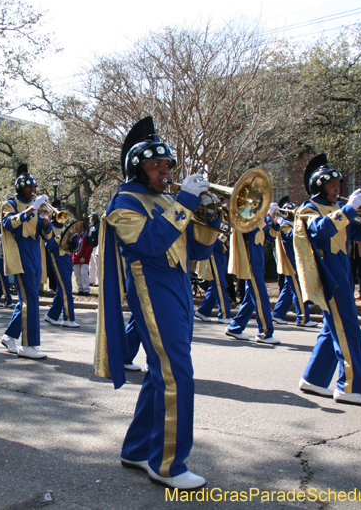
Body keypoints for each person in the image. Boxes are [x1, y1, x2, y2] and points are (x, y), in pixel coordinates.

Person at [94, 116, 217, 490]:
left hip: (178, 285)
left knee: (160, 370)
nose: (165, 172)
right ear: (138, 168)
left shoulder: (167, 198)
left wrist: (208, 215)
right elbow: (148, 244)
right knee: (177, 372)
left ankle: (136, 448)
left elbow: (195, 249)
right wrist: (184, 204)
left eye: (168, 165)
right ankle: (167, 464)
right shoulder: (123, 201)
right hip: (151, 288)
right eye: (155, 165)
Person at [294, 154, 361, 404]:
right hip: (327, 268)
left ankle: (314, 379)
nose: (336, 190)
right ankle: (349, 387)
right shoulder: (309, 208)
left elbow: (360, 235)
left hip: (342, 265)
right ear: (320, 187)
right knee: (347, 326)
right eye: (332, 186)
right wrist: (349, 209)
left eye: (338, 186)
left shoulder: (339, 208)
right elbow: (321, 231)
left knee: (334, 325)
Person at [0, 164, 54, 359]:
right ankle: (27, 345)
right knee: (29, 299)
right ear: (20, 187)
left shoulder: (38, 207)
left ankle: (9, 336)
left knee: (28, 299)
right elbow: (9, 224)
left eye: (34, 187)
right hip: (19, 252)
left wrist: (46, 218)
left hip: (34, 253)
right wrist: (33, 208)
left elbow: (47, 236)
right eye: (29, 187)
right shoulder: (9, 204)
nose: (32, 190)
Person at [224, 201, 281, 344]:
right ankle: (265, 333)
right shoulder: (246, 219)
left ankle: (235, 327)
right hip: (251, 261)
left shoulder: (259, 219)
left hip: (259, 261)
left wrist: (274, 221)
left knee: (251, 296)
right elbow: (242, 230)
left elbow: (271, 237)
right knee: (261, 295)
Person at [270, 197, 316, 327]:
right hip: (291, 262)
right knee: (298, 290)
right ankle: (303, 318)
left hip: (297, 260)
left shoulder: (294, 223)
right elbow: (291, 237)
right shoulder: (284, 224)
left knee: (289, 289)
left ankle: (278, 314)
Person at [44, 204, 80, 328]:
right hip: (57, 258)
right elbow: (49, 245)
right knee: (67, 289)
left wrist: (75, 242)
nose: (63, 218)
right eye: (61, 215)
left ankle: (51, 315)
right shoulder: (50, 228)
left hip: (68, 258)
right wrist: (62, 237)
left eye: (64, 215)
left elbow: (75, 249)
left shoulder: (67, 228)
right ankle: (68, 319)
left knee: (62, 289)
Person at [195, 220, 232, 324]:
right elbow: (215, 241)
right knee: (220, 284)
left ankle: (203, 311)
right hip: (213, 252)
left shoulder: (223, 217)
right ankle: (224, 314)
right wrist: (225, 232)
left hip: (221, 252)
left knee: (215, 284)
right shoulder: (211, 217)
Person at [72, 227, 93, 295]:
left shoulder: (87, 237)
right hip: (76, 259)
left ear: (83, 228)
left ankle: (86, 289)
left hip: (84, 260)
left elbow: (89, 248)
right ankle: (80, 288)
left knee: (84, 273)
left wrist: (84, 257)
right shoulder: (75, 237)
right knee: (77, 274)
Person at [88, 212, 100, 286]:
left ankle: (99, 281)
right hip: (91, 247)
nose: (90, 220)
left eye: (91, 218)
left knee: (97, 264)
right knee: (91, 264)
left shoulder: (99, 226)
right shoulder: (92, 227)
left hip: (97, 247)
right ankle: (91, 280)